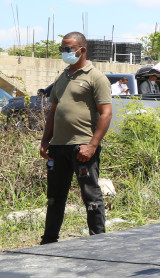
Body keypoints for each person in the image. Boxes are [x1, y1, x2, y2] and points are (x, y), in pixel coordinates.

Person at [39, 31, 113, 244]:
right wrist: (45, 140)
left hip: (82, 147)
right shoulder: (62, 77)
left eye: (68, 48)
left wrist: (92, 145)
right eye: (62, 48)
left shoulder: (96, 77)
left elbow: (106, 113)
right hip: (58, 146)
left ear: (82, 49)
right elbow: (53, 112)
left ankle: (98, 241)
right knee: (54, 197)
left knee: (91, 196)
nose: (64, 52)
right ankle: (49, 241)